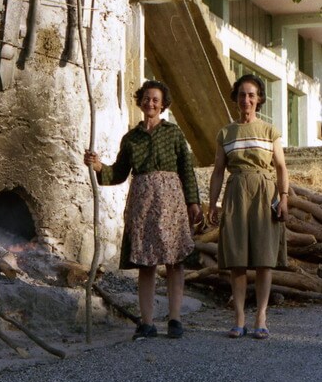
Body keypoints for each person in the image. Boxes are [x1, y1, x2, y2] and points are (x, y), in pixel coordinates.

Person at [84, 80, 202, 340]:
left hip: (171, 203)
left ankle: (174, 319)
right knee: (146, 263)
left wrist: (193, 202)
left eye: (155, 100)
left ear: (163, 105)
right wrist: (99, 166)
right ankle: (147, 323)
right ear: (140, 101)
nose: (150, 103)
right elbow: (119, 173)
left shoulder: (173, 133)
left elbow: (187, 170)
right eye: (146, 98)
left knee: (174, 261)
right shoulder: (131, 138)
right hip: (143, 203)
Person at [208, 73, 289, 339]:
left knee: (265, 259)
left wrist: (284, 198)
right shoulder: (226, 132)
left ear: (259, 99)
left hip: (265, 194)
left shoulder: (269, 131)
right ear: (236, 99)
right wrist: (213, 203)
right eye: (242, 94)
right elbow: (219, 171)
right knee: (238, 259)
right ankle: (240, 317)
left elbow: (280, 167)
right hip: (236, 193)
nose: (247, 99)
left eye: (252, 95)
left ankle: (262, 317)